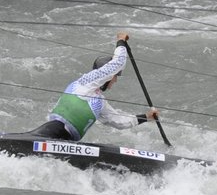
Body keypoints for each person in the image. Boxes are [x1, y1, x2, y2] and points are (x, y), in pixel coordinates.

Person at [29, 32, 160, 141]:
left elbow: (119, 121)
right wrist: (121, 41)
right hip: (51, 130)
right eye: (115, 76)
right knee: (49, 132)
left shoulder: (100, 103)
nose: (115, 80)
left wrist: (147, 117)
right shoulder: (85, 82)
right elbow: (117, 63)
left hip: (67, 141)